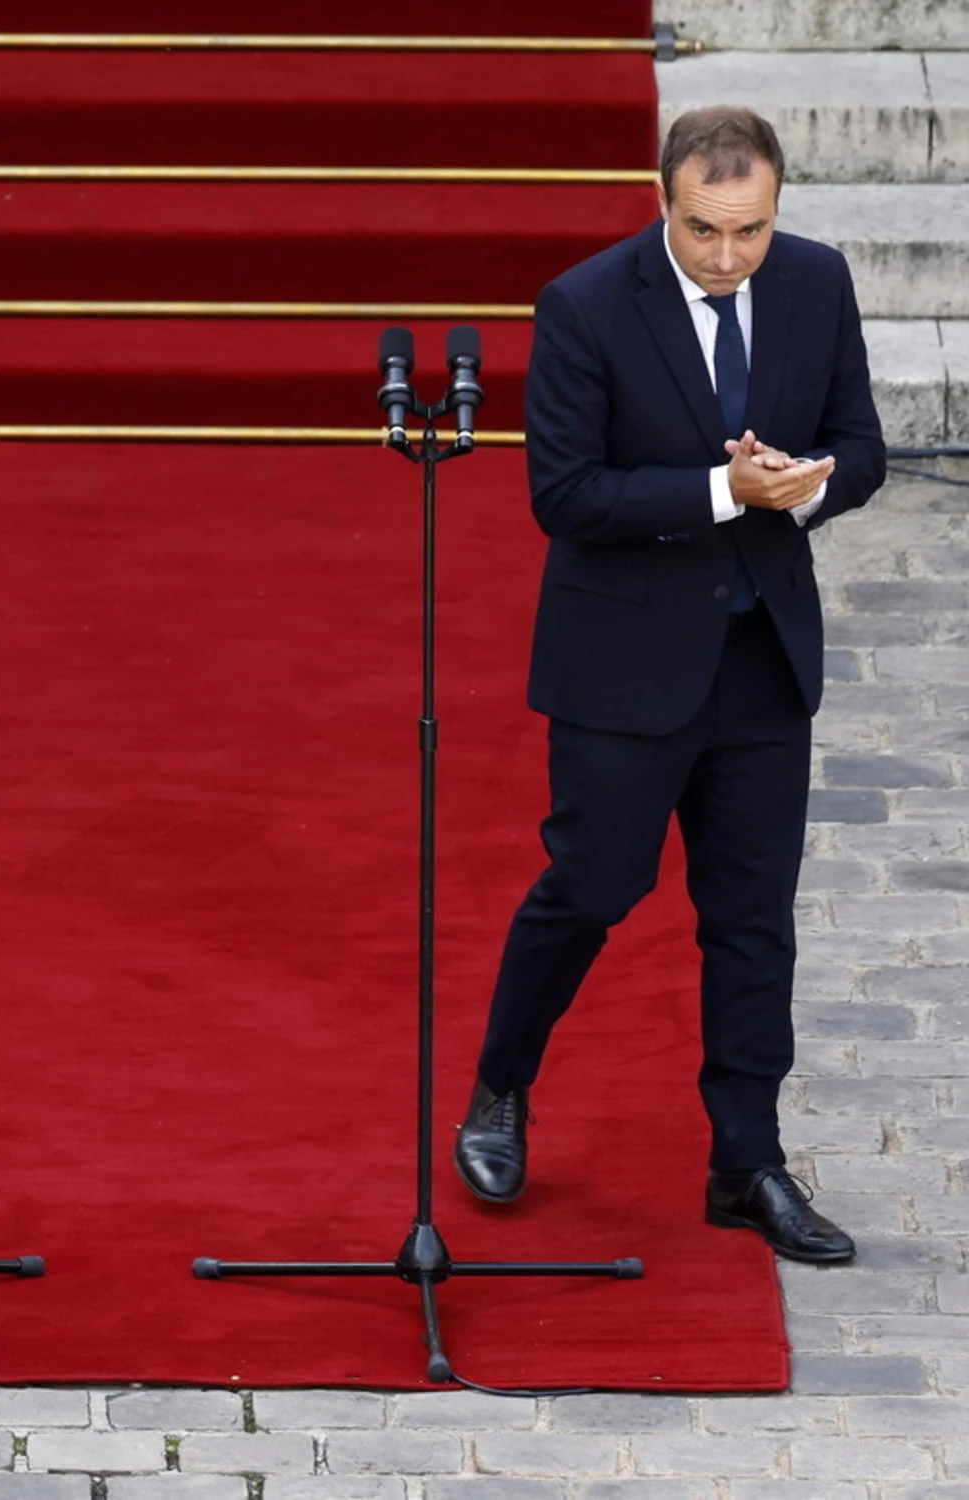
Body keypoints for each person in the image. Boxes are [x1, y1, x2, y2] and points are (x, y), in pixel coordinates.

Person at [452, 108, 884, 1263]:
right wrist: (717, 493)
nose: (728, 256)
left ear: (777, 209)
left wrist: (811, 490)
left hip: (759, 664)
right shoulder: (585, 305)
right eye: (703, 231)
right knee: (590, 887)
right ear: (661, 203)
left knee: (752, 926)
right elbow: (565, 496)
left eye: (749, 231)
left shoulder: (813, 282)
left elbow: (864, 443)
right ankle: (499, 1084)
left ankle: (745, 1163)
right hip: (623, 665)